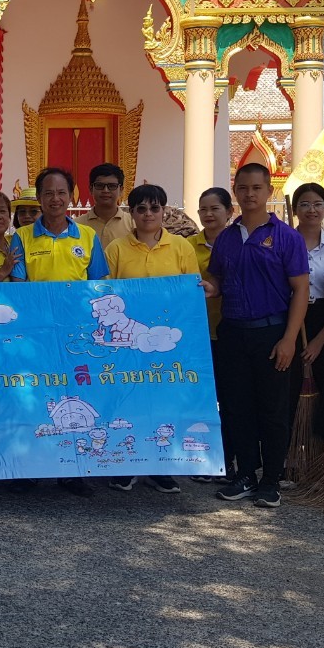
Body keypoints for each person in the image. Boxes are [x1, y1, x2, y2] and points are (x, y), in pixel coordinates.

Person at [206, 163, 309, 509]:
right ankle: (246, 473)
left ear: (269, 191)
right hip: (233, 333)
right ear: (235, 191)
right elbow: (218, 280)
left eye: (256, 188)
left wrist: (289, 339)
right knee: (237, 407)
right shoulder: (226, 238)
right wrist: (210, 288)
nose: (249, 194)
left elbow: (301, 289)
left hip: (272, 333)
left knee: (273, 410)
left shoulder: (286, 237)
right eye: (243, 188)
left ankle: (271, 479)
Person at [9, 167, 108, 498]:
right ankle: (30, 469)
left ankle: (72, 470)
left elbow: (99, 286)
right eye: (48, 193)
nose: (55, 199)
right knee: (33, 398)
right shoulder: (22, 237)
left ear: (71, 196)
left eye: (61, 192)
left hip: (76, 337)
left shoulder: (88, 237)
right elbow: (18, 286)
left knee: (75, 399)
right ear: (39, 198)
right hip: (34, 335)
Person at [104, 184, 197, 495]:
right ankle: (126, 464)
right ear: (131, 212)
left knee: (164, 402)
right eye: (141, 209)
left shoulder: (181, 248)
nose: (148, 214)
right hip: (128, 345)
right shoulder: (116, 249)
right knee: (127, 400)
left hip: (167, 344)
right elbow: (107, 295)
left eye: (154, 208)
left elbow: (190, 295)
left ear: (164, 211)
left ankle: (161, 467)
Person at [287, 183, 324, 460]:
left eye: (317, 204)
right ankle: (289, 447)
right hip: (289, 318)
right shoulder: (285, 242)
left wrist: (320, 340)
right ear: (295, 209)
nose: (311, 210)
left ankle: (319, 449)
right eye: (304, 204)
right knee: (289, 384)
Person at [188, 187, 233, 481]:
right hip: (196, 335)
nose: (208, 214)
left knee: (229, 400)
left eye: (215, 208)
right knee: (200, 400)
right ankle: (201, 457)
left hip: (228, 331)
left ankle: (227, 458)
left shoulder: (238, 243)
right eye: (203, 209)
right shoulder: (186, 246)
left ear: (229, 211)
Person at [80, 163, 132, 249]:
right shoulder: (77, 225)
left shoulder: (134, 224)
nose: (106, 190)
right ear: (91, 189)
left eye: (112, 186)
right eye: (100, 185)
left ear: (121, 190)